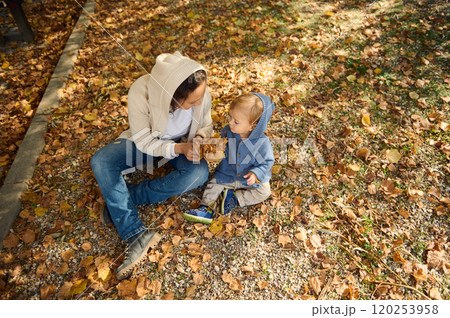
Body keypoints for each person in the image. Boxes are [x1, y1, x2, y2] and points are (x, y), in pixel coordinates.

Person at [91, 52, 213, 280]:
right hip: (146, 142)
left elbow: (207, 124)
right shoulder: (141, 92)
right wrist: (177, 150)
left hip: (181, 144)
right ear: (173, 99)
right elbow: (144, 141)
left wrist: (198, 138)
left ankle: (126, 199)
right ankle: (135, 233)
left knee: (199, 173)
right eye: (193, 101)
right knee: (101, 160)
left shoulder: (200, 92)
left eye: (201, 98)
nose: (200, 103)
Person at [183, 93, 274, 224]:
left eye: (236, 121)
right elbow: (222, 147)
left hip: (248, 179)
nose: (230, 122)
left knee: (264, 191)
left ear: (252, 126)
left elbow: (267, 163)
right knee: (213, 185)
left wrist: (255, 174)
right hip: (228, 173)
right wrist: (213, 150)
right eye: (230, 117)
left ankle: (234, 198)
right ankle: (206, 209)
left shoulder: (262, 143)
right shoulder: (228, 131)